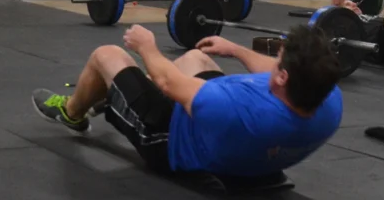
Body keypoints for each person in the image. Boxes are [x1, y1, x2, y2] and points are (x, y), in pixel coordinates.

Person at [33, 24, 342, 177]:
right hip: (228, 137)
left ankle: (73, 112)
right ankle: (116, 93)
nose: (273, 62)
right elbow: (274, 71)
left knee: (107, 55)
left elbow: (168, 83)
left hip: (169, 134)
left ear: (283, 77)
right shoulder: (328, 100)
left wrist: (146, 46)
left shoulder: (234, 111)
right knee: (196, 58)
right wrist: (235, 50)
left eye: (278, 61)